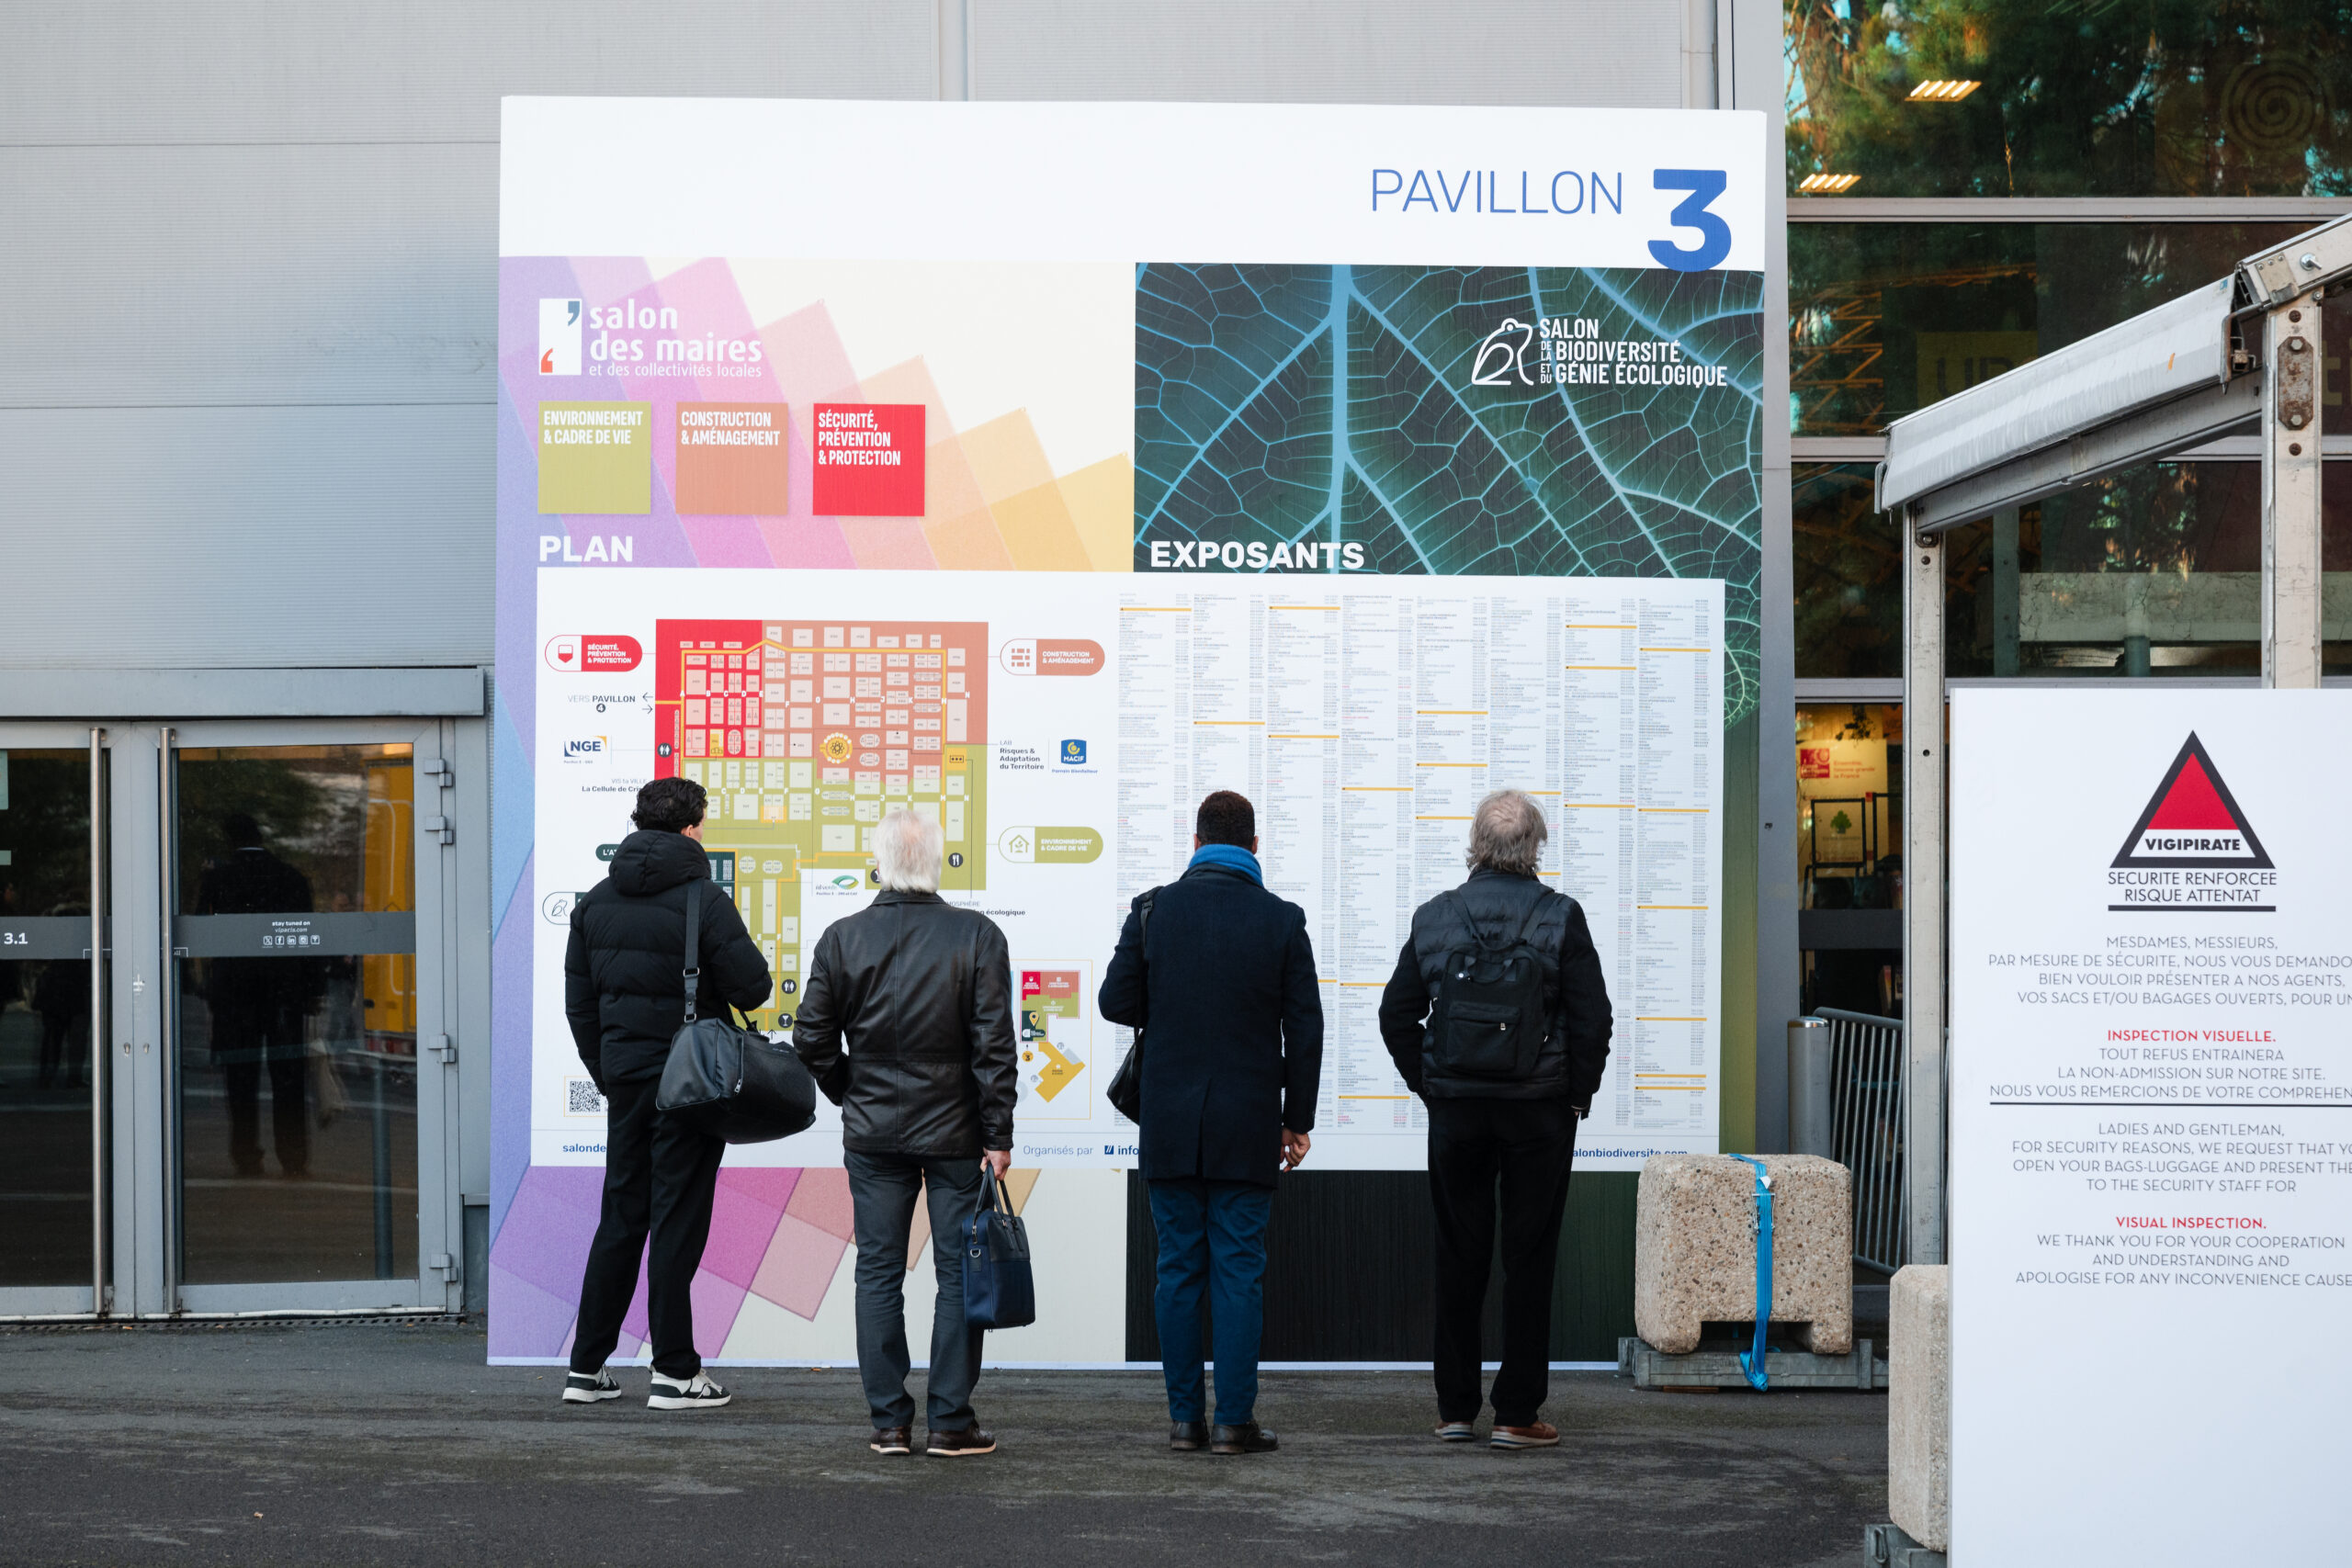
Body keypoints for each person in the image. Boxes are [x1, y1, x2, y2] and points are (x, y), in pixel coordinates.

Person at [1377, 788, 1611, 1450]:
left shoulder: (1435, 917)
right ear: (1533, 846)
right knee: (1528, 1259)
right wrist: (1576, 1096)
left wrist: (1434, 1089)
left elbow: (1395, 1014)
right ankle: (1515, 1412)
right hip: (1538, 1114)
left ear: (1476, 844)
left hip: (1459, 1115)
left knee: (1459, 1254)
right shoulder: (1561, 917)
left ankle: (1455, 1409)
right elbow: (1594, 1019)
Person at [1099, 790, 1323, 1456]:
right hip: (1248, 1125)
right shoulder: (1282, 920)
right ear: (1254, 848)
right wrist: (1297, 1119)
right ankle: (1233, 1423)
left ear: (1195, 843)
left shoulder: (1154, 910)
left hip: (1169, 1123)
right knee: (1237, 1272)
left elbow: (1116, 1001)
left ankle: (1183, 1422)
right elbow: (1305, 1029)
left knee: (1178, 1271)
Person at [793, 807, 1017, 1459]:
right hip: (957, 1135)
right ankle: (951, 1421)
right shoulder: (977, 934)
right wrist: (997, 1132)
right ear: (939, 861)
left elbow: (811, 1040)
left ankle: (889, 1423)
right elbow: (994, 1046)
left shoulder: (842, 937)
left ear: (879, 862)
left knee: (878, 1272)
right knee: (958, 1274)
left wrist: (851, 1090)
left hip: (873, 1137)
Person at [563, 775, 772, 1411]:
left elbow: (580, 1006)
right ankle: (676, 1372)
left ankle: (585, 1369)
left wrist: (612, 1074)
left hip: (626, 1081)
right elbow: (753, 988)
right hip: (690, 1086)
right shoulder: (703, 899)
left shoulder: (594, 901)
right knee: (677, 1218)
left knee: (621, 1216)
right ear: (690, 829)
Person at [195, 814, 322, 1178]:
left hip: (235, 992)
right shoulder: (291, 877)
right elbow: (309, 937)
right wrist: (312, 989)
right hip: (284, 990)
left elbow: (197, 932)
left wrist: (205, 983)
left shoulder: (218, 879)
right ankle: (293, 1157)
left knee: (241, 1078)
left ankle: (246, 1155)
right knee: (288, 1078)